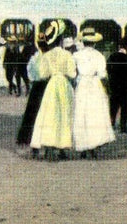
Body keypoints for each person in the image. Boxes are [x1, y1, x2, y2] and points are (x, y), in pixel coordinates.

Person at [30, 22, 77, 160]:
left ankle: (48, 145)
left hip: (52, 85)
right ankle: (62, 147)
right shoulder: (67, 55)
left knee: (49, 114)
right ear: (61, 40)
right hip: (63, 84)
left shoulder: (47, 56)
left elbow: (43, 74)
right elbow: (72, 73)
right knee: (64, 115)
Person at [70, 27, 116, 158]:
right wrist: (108, 90)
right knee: (94, 115)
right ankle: (93, 146)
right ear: (94, 42)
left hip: (82, 85)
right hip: (95, 85)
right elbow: (102, 75)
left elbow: (73, 73)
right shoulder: (99, 55)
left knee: (81, 114)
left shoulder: (76, 55)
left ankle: (83, 146)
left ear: (83, 42)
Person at [16, 38, 48, 149]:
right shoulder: (48, 58)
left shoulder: (35, 58)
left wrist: (32, 79)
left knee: (32, 112)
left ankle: (28, 138)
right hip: (46, 86)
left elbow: (29, 70)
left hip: (37, 86)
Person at [107, 41, 127, 134]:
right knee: (125, 108)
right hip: (125, 87)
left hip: (114, 85)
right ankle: (123, 127)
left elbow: (108, 70)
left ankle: (111, 123)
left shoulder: (112, 57)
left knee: (113, 107)